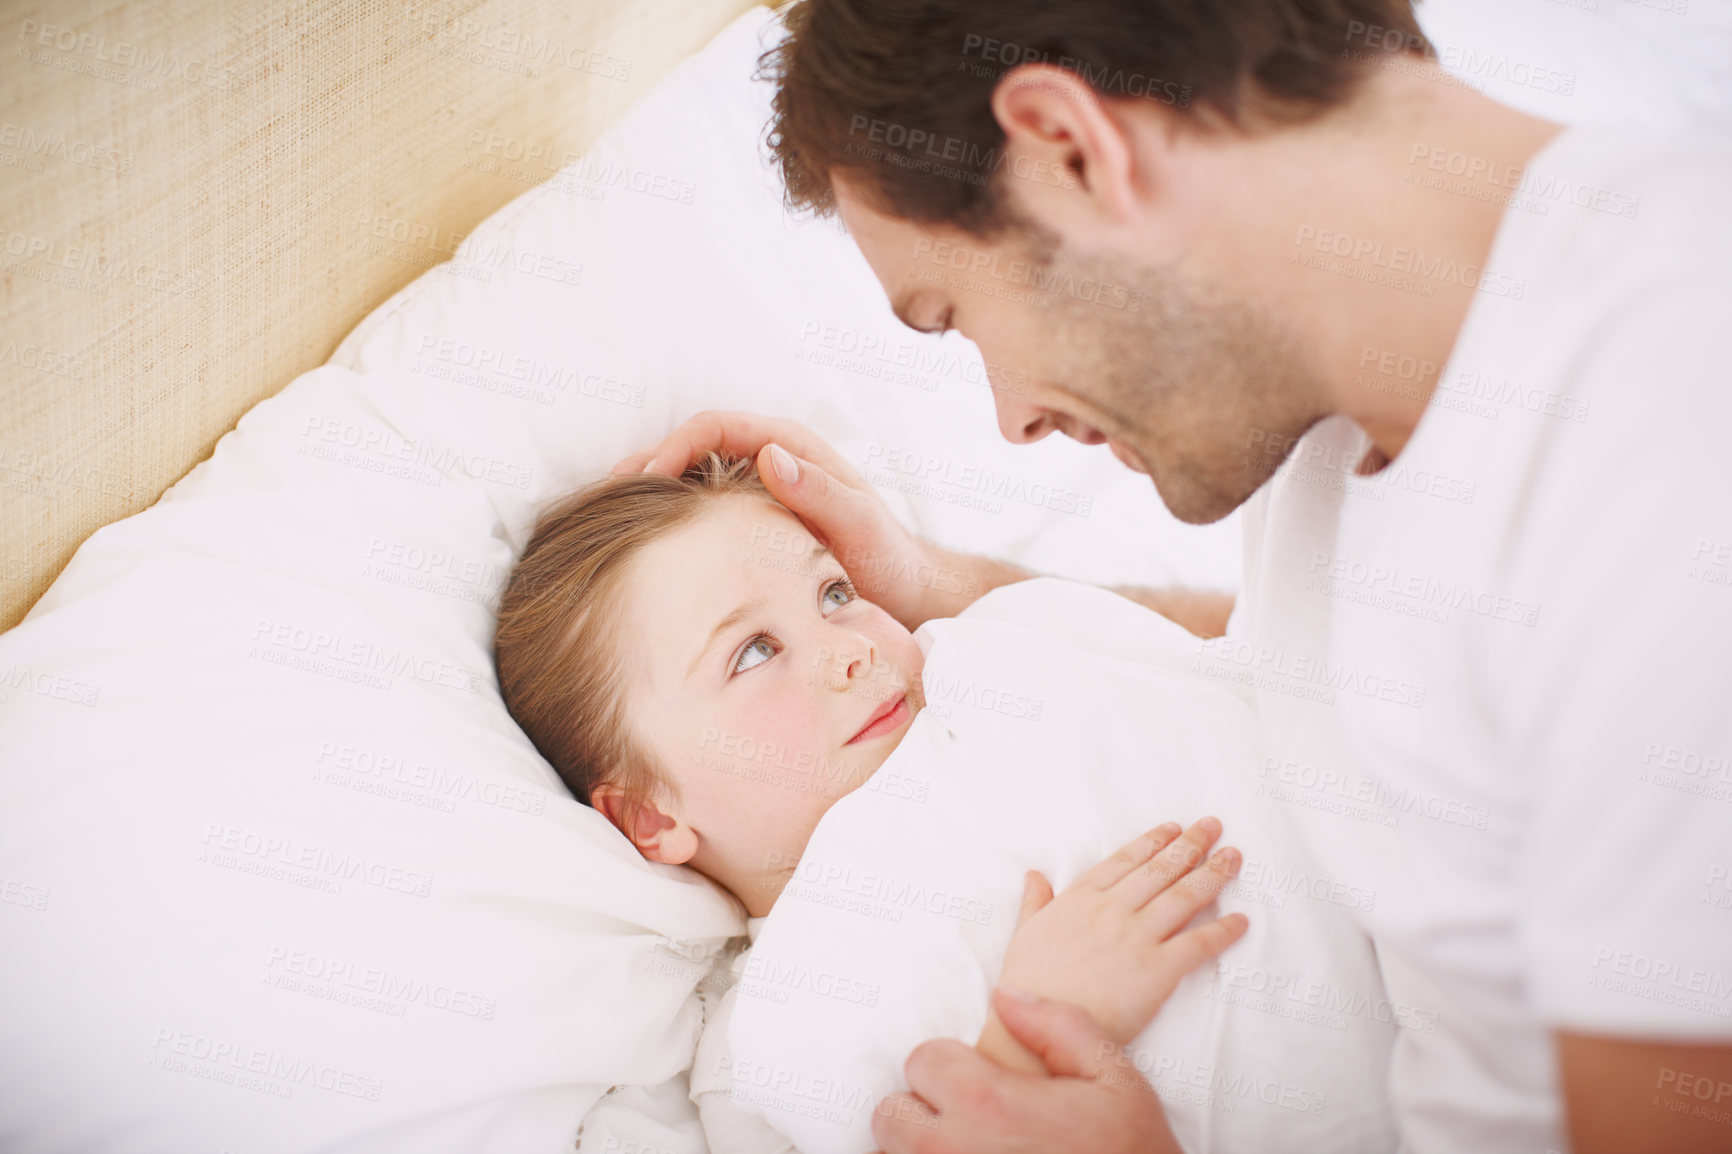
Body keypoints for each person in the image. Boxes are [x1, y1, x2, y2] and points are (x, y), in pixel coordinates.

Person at [613, 1, 1732, 1151]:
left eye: (954, 316)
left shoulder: (1666, 480)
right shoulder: (1354, 409)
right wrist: (932, 582)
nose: (1012, 418)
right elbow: (1378, 666)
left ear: (1072, 148)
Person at [491, 452, 1256, 1149]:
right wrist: (1029, 1036)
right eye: (754, 652)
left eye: (835, 593)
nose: (849, 651)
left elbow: (1231, 681)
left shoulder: (998, 660)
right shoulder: (773, 1048)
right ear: (653, 818)